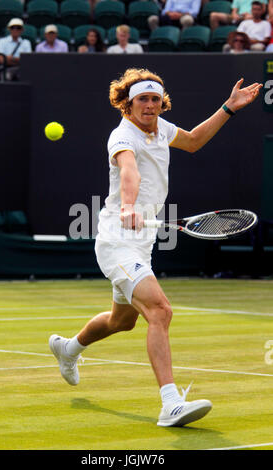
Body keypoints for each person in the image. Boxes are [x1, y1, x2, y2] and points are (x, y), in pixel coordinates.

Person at [49, 68, 262, 427]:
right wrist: (129, 205)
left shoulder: (162, 128)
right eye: (141, 100)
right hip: (117, 241)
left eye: (154, 99)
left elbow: (193, 140)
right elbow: (129, 171)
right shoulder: (121, 136)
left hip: (142, 243)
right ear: (127, 104)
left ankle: (68, 348)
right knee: (161, 311)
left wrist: (228, 107)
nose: (149, 105)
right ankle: (170, 403)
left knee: (122, 321)